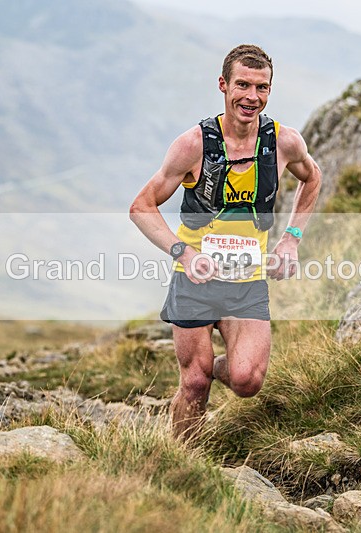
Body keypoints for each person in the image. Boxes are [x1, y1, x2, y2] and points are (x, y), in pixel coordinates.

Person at [129, 44, 321, 440]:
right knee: (194, 385)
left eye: (262, 88)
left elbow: (313, 177)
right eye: (243, 85)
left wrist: (291, 239)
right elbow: (141, 207)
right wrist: (183, 251)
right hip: (194, 280)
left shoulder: (284, 142)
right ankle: (185, 467)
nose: (252, 97)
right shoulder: (192, 145)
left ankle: (216, 367)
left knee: (247, 379)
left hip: (246, 282)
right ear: (223, 85)